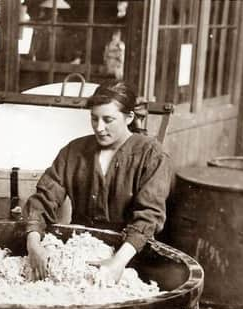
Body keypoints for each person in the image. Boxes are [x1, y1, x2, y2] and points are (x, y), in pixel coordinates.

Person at [25, 81, 173, 284]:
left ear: (129, 117)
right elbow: (43, 200)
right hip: (79, 249)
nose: (99, 128)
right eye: (94, 119)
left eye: (108, 119)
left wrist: (117, 263)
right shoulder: (74, 151)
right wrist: (34, 246)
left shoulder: (151, 154)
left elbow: (149, 217)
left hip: (130, 256)